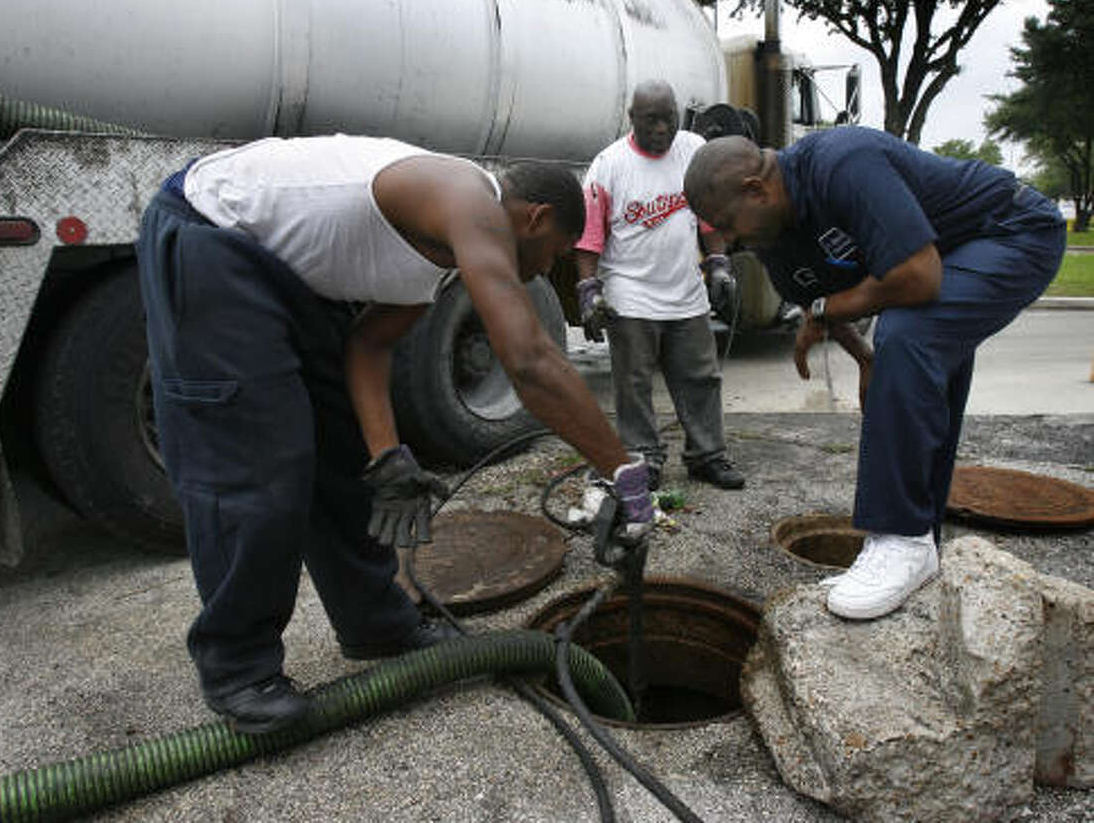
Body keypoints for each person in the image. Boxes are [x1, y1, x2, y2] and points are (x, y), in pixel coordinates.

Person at [136, 134, 654, 734]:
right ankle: (238, 670)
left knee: (343, 457)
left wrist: (387, 458)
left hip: (283, 271)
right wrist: (624, 472)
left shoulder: (442, 248)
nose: (548, 270)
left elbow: (369, 345)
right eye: (557, 252)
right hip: (211, 236)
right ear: (534, 218)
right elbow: (529, 360)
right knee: (256, 462)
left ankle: (376, 624)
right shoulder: (467, 199)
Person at [683, 127, 1065, 620]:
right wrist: (864, 360)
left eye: (727, 225)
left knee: (908, 334)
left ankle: (901, 537)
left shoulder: (841, 163)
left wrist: (828, 312)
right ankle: (920, 539)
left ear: (756, 190)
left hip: (1011, 229)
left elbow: (918, 278)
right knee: (920, 359)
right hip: (944, 257)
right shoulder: (773, 237)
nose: (729, 241)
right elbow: (821, 303)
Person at [575, 80, 745, 492]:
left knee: (701, 377)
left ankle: (707, 455)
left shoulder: (692, 151)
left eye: (668, 118)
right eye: (651, 120)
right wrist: (589, 292)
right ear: (632, 118)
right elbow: (589, 239)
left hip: (685, 291)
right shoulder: (609, 166)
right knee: (633, 385)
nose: (662, 128)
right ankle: (643, 457)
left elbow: (710, 215)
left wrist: (719, 263)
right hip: (630, 294)